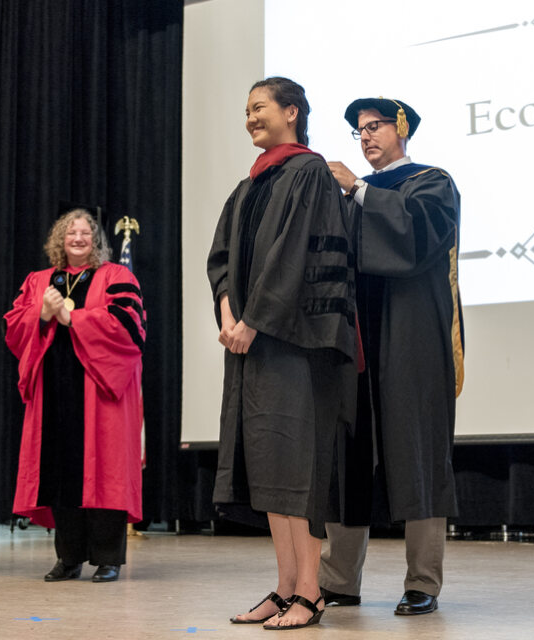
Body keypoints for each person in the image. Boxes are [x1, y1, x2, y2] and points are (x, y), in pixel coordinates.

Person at [207, 77, 357, 630]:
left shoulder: (309, 173)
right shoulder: (248, 187)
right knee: (270, 470)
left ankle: (311, 592)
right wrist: (228, 316)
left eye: (259, 108)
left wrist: (253, 320)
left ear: (292, 112)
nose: (250, 118)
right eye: (245, 110)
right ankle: (285, 586)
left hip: (298, 345)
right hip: (251, 346)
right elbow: (220, 258)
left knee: (300, 471)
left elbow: (296, 258)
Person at [319, 97, 464, 616]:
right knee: (347, 455)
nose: (365, 136)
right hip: (356, 341)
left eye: (375, 126)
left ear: (402, 129)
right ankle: (337, 579)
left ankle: (423, 581)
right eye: (359, 129)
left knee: (418, 454)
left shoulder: (430, 182)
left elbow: (416, 237)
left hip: (411, 341)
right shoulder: (346, 195)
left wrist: (358, 189)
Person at [5, 208, 146, 583]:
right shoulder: (39, 281)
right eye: (71, 233)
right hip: (53, 391)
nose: (78, 238)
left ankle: (107, 559)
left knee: (106, 475)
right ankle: (68, 558)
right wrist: (43, 313)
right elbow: (14, 327)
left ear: (96, 240)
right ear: (59, 240)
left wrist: (73, 319)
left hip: (100, 392)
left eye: (85, 233)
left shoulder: (116, 276)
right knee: (61, 475)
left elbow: (129, 327)